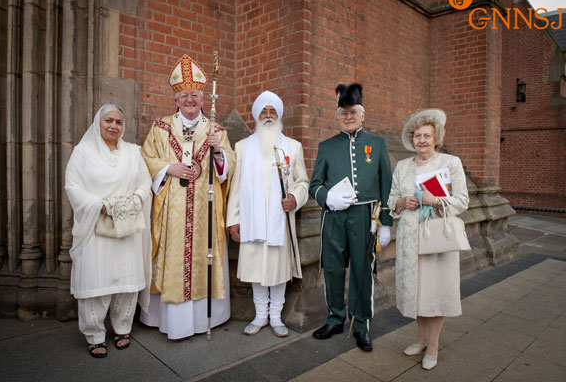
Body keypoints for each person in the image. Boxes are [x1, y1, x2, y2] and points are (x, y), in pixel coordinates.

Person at [140, 54, 235, 339]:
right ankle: (173, 322)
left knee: (204, 259)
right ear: (176, 100)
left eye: (195, 95)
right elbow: (146, 158)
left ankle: (202, 321)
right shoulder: (161, 127)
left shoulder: (216, 130)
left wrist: (218, 151)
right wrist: (168, 168)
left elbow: (228, 169)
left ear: (204, 99)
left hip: (205, 211)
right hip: (172, 212)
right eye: (184, 95)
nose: (190, 100)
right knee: (173, 260)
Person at [309, 83, 392, 351]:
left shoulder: (378, 145)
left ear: (362, 114)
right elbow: (314, 185)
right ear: (337, 116)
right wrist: (327, 198)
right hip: (334, 217)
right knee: (333, 269)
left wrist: (386, 223)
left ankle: (360, 324)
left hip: (365, 216)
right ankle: (335, 319)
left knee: (362, 270)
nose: (348, 117)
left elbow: (387, 186)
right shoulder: (326, 147)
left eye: (353, 111)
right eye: (343, 113)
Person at [65, 103, 152, 358]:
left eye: (118, 122)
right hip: (96, 225)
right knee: (96, 280)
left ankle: (123, 327)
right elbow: (72, 186)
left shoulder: (133, 152)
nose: (114, 126)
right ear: (98, 123)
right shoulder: (83, 152)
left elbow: (145, 181)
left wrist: (135, 199)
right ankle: (94, 334)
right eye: (108, 121)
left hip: (127, 224)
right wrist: (101, 206)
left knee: (127, 280)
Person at [388, 108, 469, 370]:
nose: (421, 140)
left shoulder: (450, 163)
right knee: (417, 293)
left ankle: (433, 346)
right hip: (410, 239)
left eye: (427, 136)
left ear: (436, 138)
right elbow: (391, 200)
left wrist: (435, 200)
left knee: (435, 293)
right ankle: (421, 339)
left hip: (437, 238)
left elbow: (462, 201)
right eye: (417, 136)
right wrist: (402, 202)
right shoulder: (402, 166)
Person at [227, 91, 309, 337]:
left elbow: (302, 181)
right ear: (256, 116)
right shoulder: (242, 147)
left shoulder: (293, 147)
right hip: (252, 220)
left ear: (279, 115)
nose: (268, 115)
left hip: (279, 220)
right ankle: (260, 315)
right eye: (264, 111)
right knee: (256, 268)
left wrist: (294, 197)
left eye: (273, 111)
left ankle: (275, 316)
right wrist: (233, 220)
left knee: (278, 269)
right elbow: (235, 186)